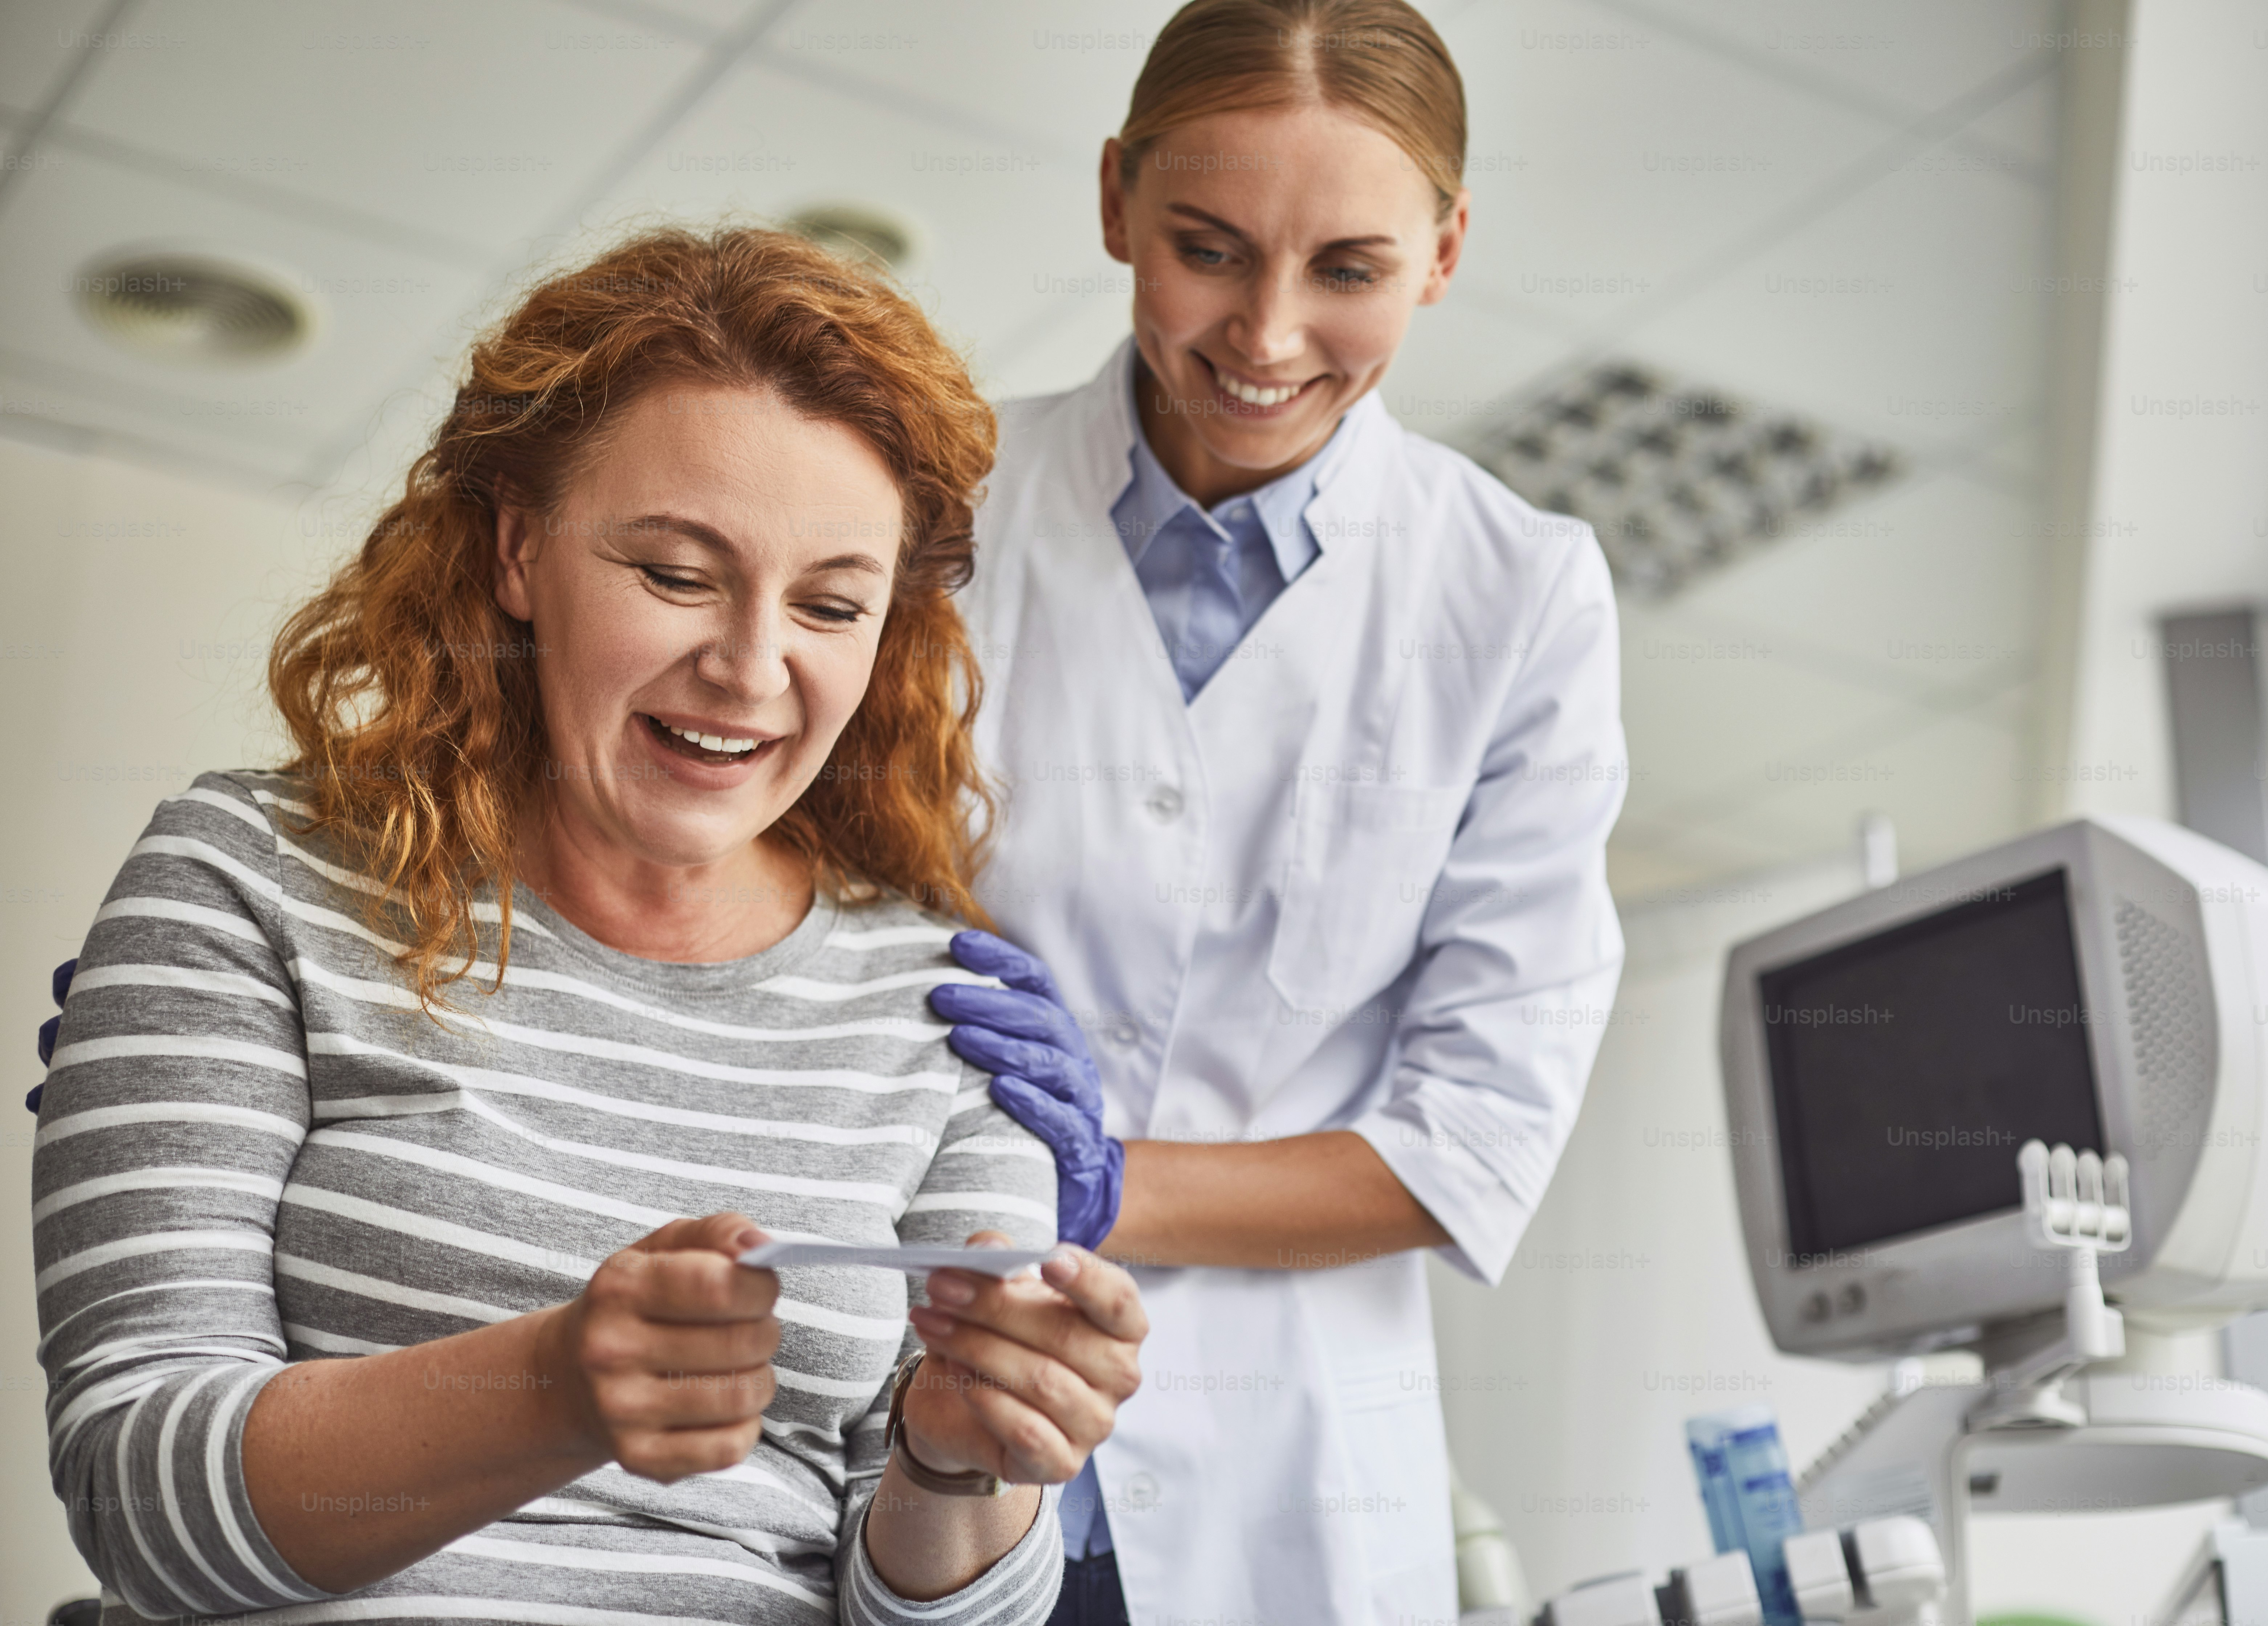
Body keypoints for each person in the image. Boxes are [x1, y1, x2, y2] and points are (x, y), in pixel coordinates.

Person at [30, 227, 1145, 1626]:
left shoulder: (948, 1009)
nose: (750, 667)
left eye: (830, 604)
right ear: (518, 550)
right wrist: (551, 1390)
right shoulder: (250, 879)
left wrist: (957, 1462)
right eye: (676, 574)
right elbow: (135, 1504)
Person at [925, 2, 1629, 1622]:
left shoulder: (1519, 598)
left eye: (1349, 270)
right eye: (1210, 250)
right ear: (1116, 199)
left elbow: (1471, 1140)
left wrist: (1104, 1181)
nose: (1267, 334)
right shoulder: (931, 511)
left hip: (1281, 1485)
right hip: (924, 1402)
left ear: (1444, 253)